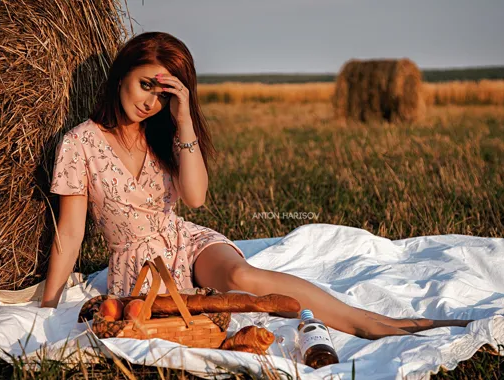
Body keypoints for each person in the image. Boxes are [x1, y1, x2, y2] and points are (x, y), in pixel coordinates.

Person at [40, 31, 473, 339]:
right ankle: (366, 321)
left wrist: (184, 116)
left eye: (163, 92)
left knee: (242, 275)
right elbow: (72, 233)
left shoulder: (164, 131)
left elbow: (195, 198)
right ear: (122, 76)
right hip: (138, 266)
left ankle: (364, 320)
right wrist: (48, 307)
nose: (150, 100)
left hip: (187, 240)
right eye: (144, 85)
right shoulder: (80, 143)